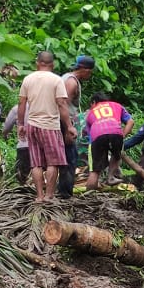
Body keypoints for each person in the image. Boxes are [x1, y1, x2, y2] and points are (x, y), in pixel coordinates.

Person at [18, 51, 71, 202]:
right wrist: (69, 126)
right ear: (52, 65)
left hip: (32, 125)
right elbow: (61, 103)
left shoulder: (28, 79)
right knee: (53, 162)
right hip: (50, 126)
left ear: (37, 63)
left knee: (36, 163)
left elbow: (21, 103)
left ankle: (39, 196)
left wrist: (21, 124)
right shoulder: (56, 80)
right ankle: (49, 195)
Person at [57, 54, 95, 197]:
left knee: (66, 157)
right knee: (70, 158)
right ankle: (65, 193)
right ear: (84, 69)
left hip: (62, 122)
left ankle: (63, 190)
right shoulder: (71, 82)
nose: (89, 75)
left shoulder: (66, 77)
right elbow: (63, 104)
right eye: (90, 72)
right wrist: (68, 127)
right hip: (64, 123)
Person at [83, 92, 134, 190]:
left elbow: (91, 138)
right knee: (116, 155)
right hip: (116, 132)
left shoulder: (90, 113)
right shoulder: (116, 105)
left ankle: (90, 192)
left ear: (94, 102)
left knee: (95, 171)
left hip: (97, 135)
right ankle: (110, 177)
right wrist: (122, 135)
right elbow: (130, 122)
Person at [1, 106, 30, 184]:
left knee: (22, 176)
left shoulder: (17, 109)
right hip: (42, 147)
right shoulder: (43, 106)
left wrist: (4, 135)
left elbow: (6, 128)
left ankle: (26, 192)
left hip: (24, 146)